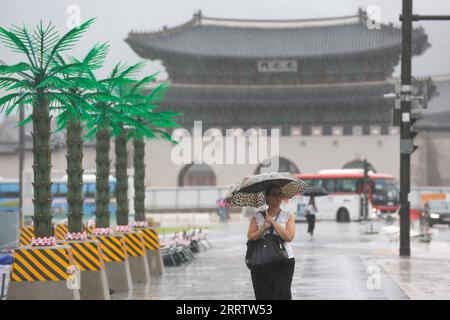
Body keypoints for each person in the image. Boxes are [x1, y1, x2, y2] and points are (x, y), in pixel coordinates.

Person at [246, 184, 296, 300]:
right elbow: (250, 237)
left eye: (280, 195)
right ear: (266, 197)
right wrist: (263, 228)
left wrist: (274, 223)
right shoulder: (258, 216)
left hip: (283, 261)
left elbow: (289, 237)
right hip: (261, 262)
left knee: (282, 295)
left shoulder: (287, 216)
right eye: (274, 195)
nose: (278, 198)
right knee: (263, 295)